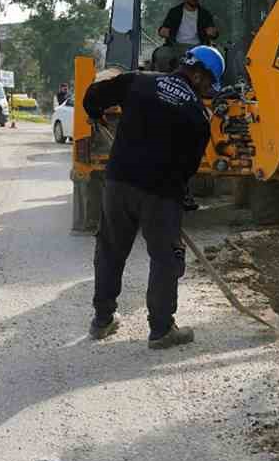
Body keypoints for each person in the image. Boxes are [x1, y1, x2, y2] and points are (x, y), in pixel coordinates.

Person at [83, 45, 223, 349]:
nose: (209, 91)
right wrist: (178, 200)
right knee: (165, 259)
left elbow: (92, 97)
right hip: (161, 193)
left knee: (110, 250)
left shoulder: (139, 81)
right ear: (199, 75)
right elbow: (188, 169)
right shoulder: (198, 116)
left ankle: (102, 320)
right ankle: (161, 330)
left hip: (119, 183)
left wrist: (95, 115)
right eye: (210, 84)